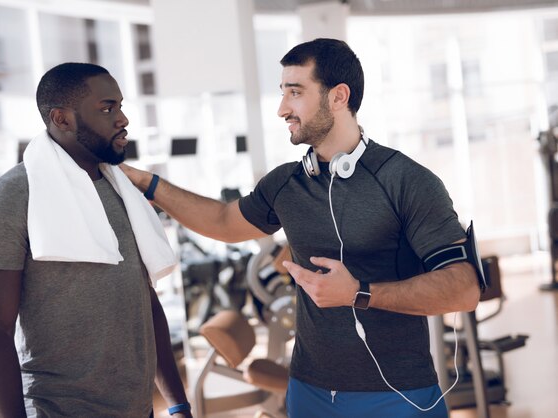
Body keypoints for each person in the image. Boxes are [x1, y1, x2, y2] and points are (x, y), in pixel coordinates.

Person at [122, 38, 483, 418]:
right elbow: (223, 222)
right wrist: (147, 183)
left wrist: (359, 293)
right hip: (308, 390)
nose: (282, 109)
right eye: (282, 93)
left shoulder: (406, 181)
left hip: (397, 394)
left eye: (295, 93)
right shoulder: (285, 184)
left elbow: (465, 288)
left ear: (338, 97)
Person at [0, 63, 192, 418]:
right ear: (62, 119)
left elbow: (145, 303)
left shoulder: (121, 189)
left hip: (137, 409)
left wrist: (178, 402)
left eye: (120, 105)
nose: (122, 119)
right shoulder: (13, 197)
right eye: (107, 108)